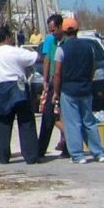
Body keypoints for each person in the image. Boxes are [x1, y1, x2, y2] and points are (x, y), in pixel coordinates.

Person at [53, 17, 104, 163]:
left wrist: (56, 92)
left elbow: (57, 73)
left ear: (64, 31)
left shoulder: (61, 49)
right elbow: (92, 68)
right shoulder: (88, 47)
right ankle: (99, 153)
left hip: (68, 89)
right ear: (77, 30)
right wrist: (88, 82)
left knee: (73, 123)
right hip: (85, 89)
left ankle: (78, 155)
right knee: (89, 121)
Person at [0, 25, 40, 164]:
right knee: (25, 120)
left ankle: (3, 156)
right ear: (7, 37)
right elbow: (34, 57)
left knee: (3, 122)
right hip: (18, 86)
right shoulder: (15, 51)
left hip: (1, 87)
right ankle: (30, 155)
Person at [37, 13, 66, 157]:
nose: (52, 33)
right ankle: (40, 150)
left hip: (65, 82)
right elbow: (47, 59)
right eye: (50, 30)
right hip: (53, 82)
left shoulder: (68, 41)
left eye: (54, 30)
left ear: (61, 27)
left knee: (64, 115)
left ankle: (67, 146)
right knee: (48, 115)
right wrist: (45, 79)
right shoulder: (51, 41)